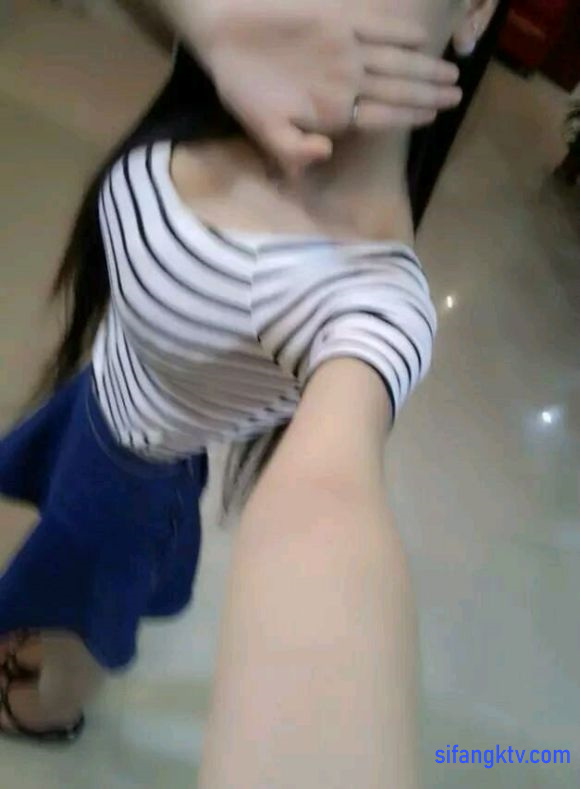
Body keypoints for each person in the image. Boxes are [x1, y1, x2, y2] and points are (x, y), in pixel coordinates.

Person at [0, 0, 496, 785]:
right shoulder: (233, 62)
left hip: (133, 476)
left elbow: (329, 507)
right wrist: (209, 25)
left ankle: (45, 711)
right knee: (57, 597)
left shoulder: (369, 302)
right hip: (95, 403)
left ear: (474, 10)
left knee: (78, 624)